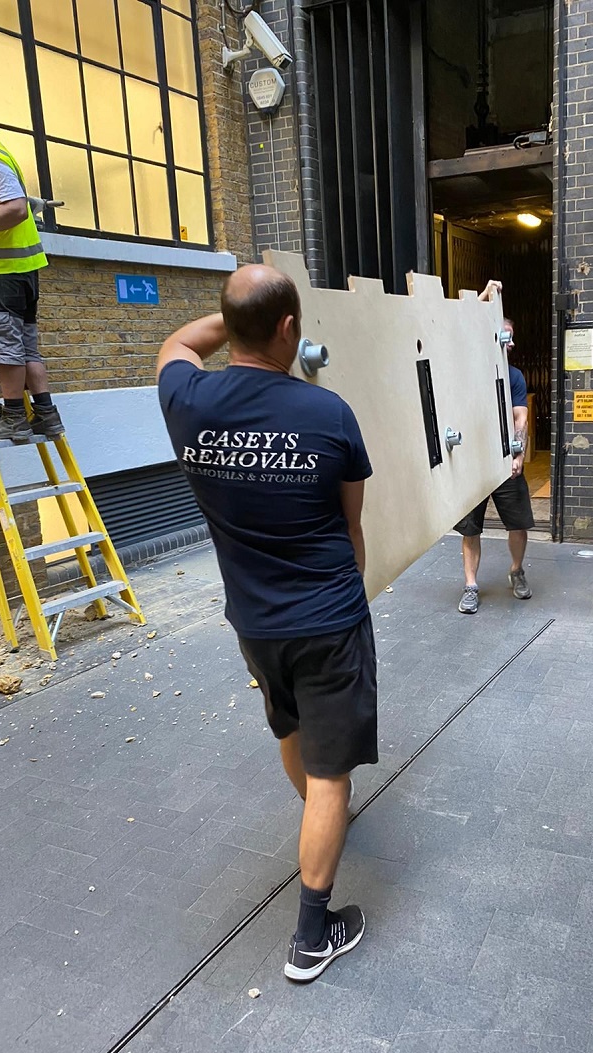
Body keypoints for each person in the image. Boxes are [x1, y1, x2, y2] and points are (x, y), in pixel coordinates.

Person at [157, 264, 376, 982]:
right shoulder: (329, 414)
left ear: (233, 328)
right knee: (331, 771)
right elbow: (352, 526)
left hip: (255, 622)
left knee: (290, 730)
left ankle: (319, 817)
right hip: (328, 620)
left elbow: (176, 343)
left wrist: (235, 315)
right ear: (289, 329)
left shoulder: (186, 399)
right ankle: (314, 935)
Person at [0, 107, 64, 443]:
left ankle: (14, 416)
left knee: (5, 344)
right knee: (26, 346)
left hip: (2, 271)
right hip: (22, 270)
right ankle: (46, 414)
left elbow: (13, 207)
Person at [455, 279, 534, 613]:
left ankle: (516, 571)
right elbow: (462, 324)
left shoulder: (514, 377)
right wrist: (486, 295)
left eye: (510, 336)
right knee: (470, 529)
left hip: (503, 460)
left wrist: (517, 452)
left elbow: (521, 417)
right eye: (502, 333)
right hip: (472, 461)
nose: (508, 341)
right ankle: (471, 586)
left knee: (518, 524)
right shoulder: (466, 366)